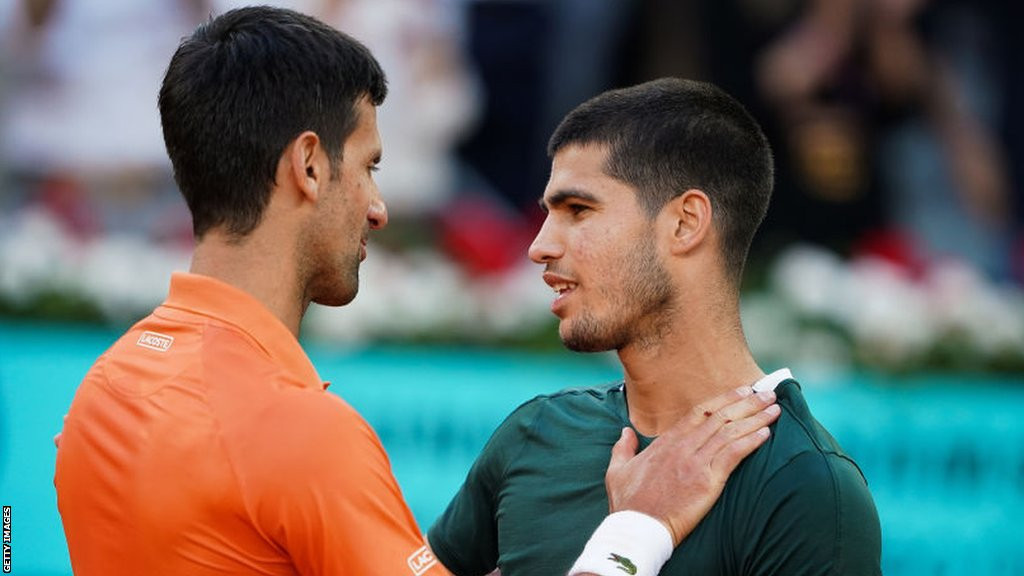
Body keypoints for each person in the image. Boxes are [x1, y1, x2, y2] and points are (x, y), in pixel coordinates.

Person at [53, 8, 780, 576]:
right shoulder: (298, 433)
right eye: (368, 166)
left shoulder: (104, 388)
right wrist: (638, 529)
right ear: (308, 165)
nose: (378, 206)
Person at [427, 78, 883, 575]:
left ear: (686, 223)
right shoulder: (533, 434)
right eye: (549, 213)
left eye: (578, 210)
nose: (539, 246)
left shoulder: (807, 488)